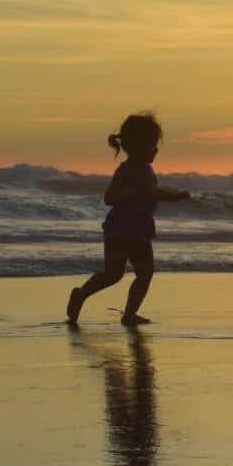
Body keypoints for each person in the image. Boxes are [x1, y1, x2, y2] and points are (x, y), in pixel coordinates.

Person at [67, 113, 189, 326]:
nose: (156, 150)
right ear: (136, 145)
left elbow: (151, 192)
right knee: (113, 274)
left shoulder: (148, 171)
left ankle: (129, 314)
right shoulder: (125, 170)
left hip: (140, 231)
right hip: (120, 230)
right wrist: (127, 194)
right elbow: (108, 197)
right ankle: (80, 294)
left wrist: (172, 196)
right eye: (152, 145)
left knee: (145, 273)